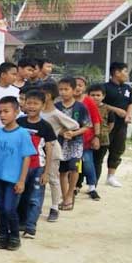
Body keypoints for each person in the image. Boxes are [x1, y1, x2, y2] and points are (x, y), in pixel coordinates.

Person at [0, 97, 37, 250]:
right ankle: (3, 235)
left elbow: (26, 157)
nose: (2, 115)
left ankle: (14, 236)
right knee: (0, 208)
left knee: (10, 208)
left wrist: (22, 180)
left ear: (16, 112)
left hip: (13, 179)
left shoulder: (23, 134)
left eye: (6, 111)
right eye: (0, 112)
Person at [16, 89, 56, 239]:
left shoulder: (46, 126)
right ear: (24, 104)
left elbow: (49, 149)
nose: (32, 106)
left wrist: (46, 172)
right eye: (29, 103)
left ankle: (31, 226)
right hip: (19, 167)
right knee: (18, 196)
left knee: (35, 198)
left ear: (43, 106)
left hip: (38, 167)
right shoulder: (19, 122)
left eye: (36, 103)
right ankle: (18, 223)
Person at [39, 82, 79, 222]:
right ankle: (36, 205)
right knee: (38, 177)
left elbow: (74, 125)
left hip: (52, 148)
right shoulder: (39, 111)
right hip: (37, 148)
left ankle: (54, 207)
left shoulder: (56, 113)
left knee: (53, 178)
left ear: (49, 95)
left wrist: (59, 131)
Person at [55, 77, 90, 211]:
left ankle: (70, 194)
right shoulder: (56, 107)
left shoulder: (80, 107)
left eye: (66, 89)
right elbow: (52, 125)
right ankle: (65, 197)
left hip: (76, 143)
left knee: (75, 167)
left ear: (74, 90)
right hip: (60, 142)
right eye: (61, 89)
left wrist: (74, 133)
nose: (63, 92)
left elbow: (87, 126)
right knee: (62, 171)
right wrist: (62, 132)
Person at [102, 62, 132, 188]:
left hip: (121, 125)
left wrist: (129, 114)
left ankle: (111, 177)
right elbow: (99, 103)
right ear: (116, 72)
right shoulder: (105, 87)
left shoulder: (127, 88)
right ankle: (92, 179)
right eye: (125, 71)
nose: (127, 74)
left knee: (117, 149)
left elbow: (131, 103)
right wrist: (116, 110)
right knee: (101, 150)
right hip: (106, 125)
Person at [74, 77, 101, 199]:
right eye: (75, 85)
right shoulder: (66, 100)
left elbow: (96, 120)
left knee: (88, 163)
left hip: (86, 140)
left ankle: (92, 187)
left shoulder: (89, 101)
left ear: (84, 88)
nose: (77, 87)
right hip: (70, 140)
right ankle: (74, 186)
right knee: (74, 164)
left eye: (80, 85)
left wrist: (96, 137)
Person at [89, 84, 116, 190]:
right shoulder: (84, 107)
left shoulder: (107, 109)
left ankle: (93, 185)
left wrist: (104, 133)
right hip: (86, 140)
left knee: (97, 162)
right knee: (83, 162)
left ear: (103, 96)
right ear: (88, 95)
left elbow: (111, 123)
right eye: (92, 95)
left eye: (98, 95)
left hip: (103, 141)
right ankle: (78, 184)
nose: (95, 97)